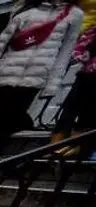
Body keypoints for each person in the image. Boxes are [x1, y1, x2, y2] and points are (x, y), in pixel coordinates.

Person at [0, 0, 84, 173]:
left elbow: (65, 53)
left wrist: (51, 85)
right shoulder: (24, 8)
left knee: (5, 125)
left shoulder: (74, 14)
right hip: (3, 74)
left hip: (33, 80)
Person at [52, 0, 96, 157]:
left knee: (84, 110)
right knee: (76, 106)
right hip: (88, 72)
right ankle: (61, 146)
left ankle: (75, 147)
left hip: (89, 71)